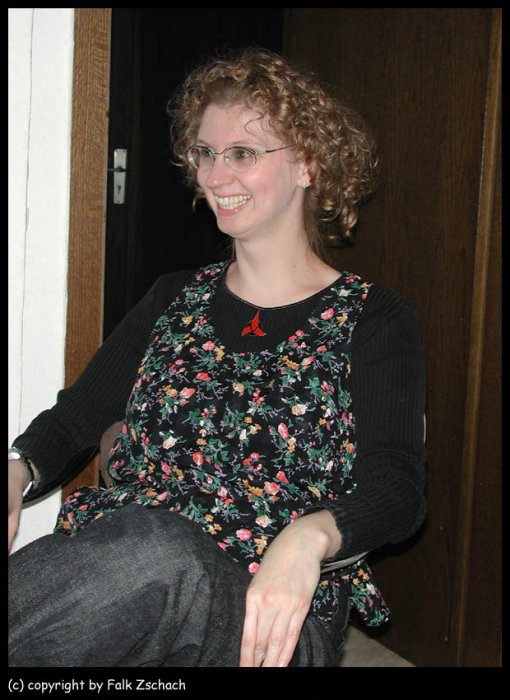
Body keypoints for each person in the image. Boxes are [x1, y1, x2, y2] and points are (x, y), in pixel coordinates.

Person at [8, 47, 426, 668]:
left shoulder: (373, 318)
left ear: (308, 164)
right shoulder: (172, 298)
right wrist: (17, 470)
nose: (214, 175)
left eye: (243, 154)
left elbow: (397, 488)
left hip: (267, 620)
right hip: (132, 579)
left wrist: (309, 535)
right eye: (205, 153)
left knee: (157, 549)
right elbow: (77, 418)